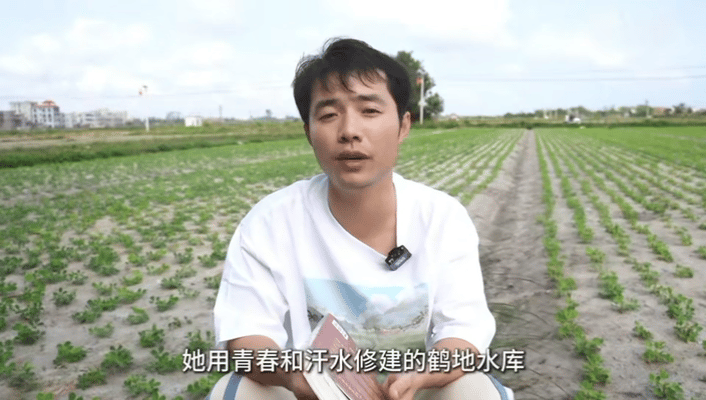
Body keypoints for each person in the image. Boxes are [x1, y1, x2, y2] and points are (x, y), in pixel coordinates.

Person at [209, 38, 513, 400]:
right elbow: (247, 334)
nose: (349, 131)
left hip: (412, 392)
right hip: (310, 391)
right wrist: (297, 377)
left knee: (474, 388)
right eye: (328, 115)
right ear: (308, 132)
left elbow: (463, 330)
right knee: (238, 390)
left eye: (369, 110)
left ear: (403, 126)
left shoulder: (441, 218)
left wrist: (420, 376)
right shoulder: (270, 223)